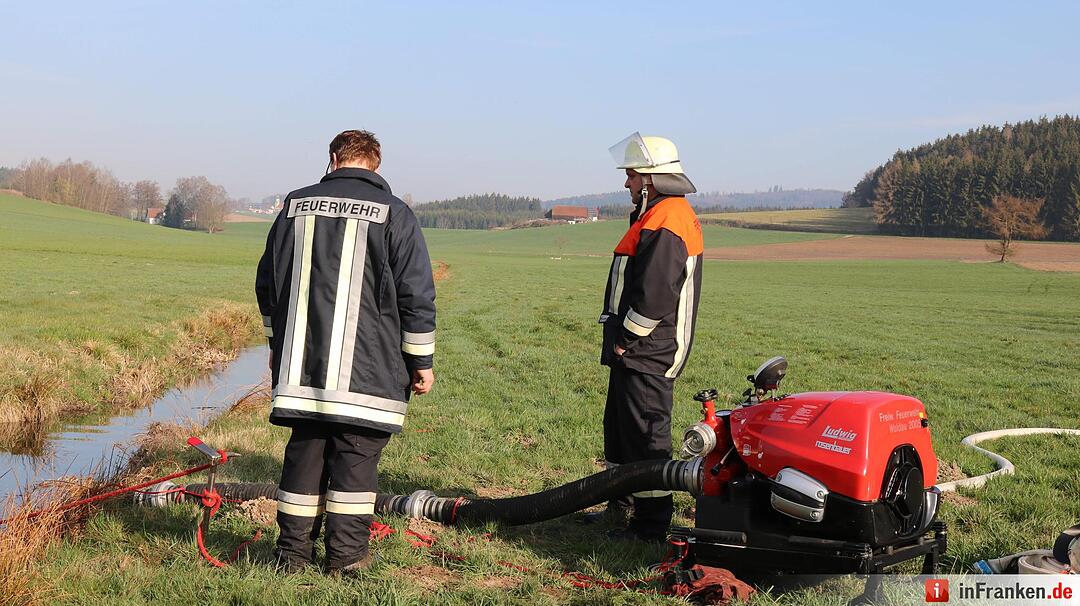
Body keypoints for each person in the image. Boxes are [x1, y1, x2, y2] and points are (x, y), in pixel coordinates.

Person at [255, 129, 436, 574]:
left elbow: (268, 283)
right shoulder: (395, 213)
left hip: (303, 371)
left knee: (304, 460)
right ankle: (347, 561)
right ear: (375, 163)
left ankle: (291, 557)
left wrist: (277, 347)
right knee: (356, 466)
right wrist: (421, 362)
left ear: (334, 158)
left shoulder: (294, 206)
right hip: (369, 375)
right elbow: (416, 293)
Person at [593, 133, 703, 542]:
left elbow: (655, 295)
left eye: (631, 175)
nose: (626, 184)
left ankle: (650, 525)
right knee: (622, 433)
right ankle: (619, 507)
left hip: (650, 352)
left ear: (650, 180)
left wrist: (625, 338)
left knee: (646, 439)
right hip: (636, 352)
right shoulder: (656, 213)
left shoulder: (668, 218)